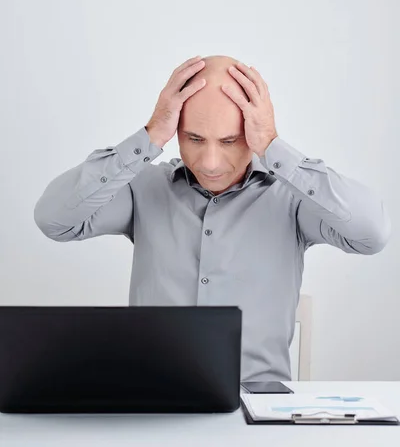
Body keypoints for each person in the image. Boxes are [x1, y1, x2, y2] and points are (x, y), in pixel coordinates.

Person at [34, 55, 391, 382]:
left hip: (254, 412)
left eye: (230, 140)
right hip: (154, 401)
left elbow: (372, 233)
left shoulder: (290, 198)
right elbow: (54, 218)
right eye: (194, 138)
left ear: (252, 136)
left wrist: (273, 146)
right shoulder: (143, 187)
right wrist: (149, 136)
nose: (209, 163)